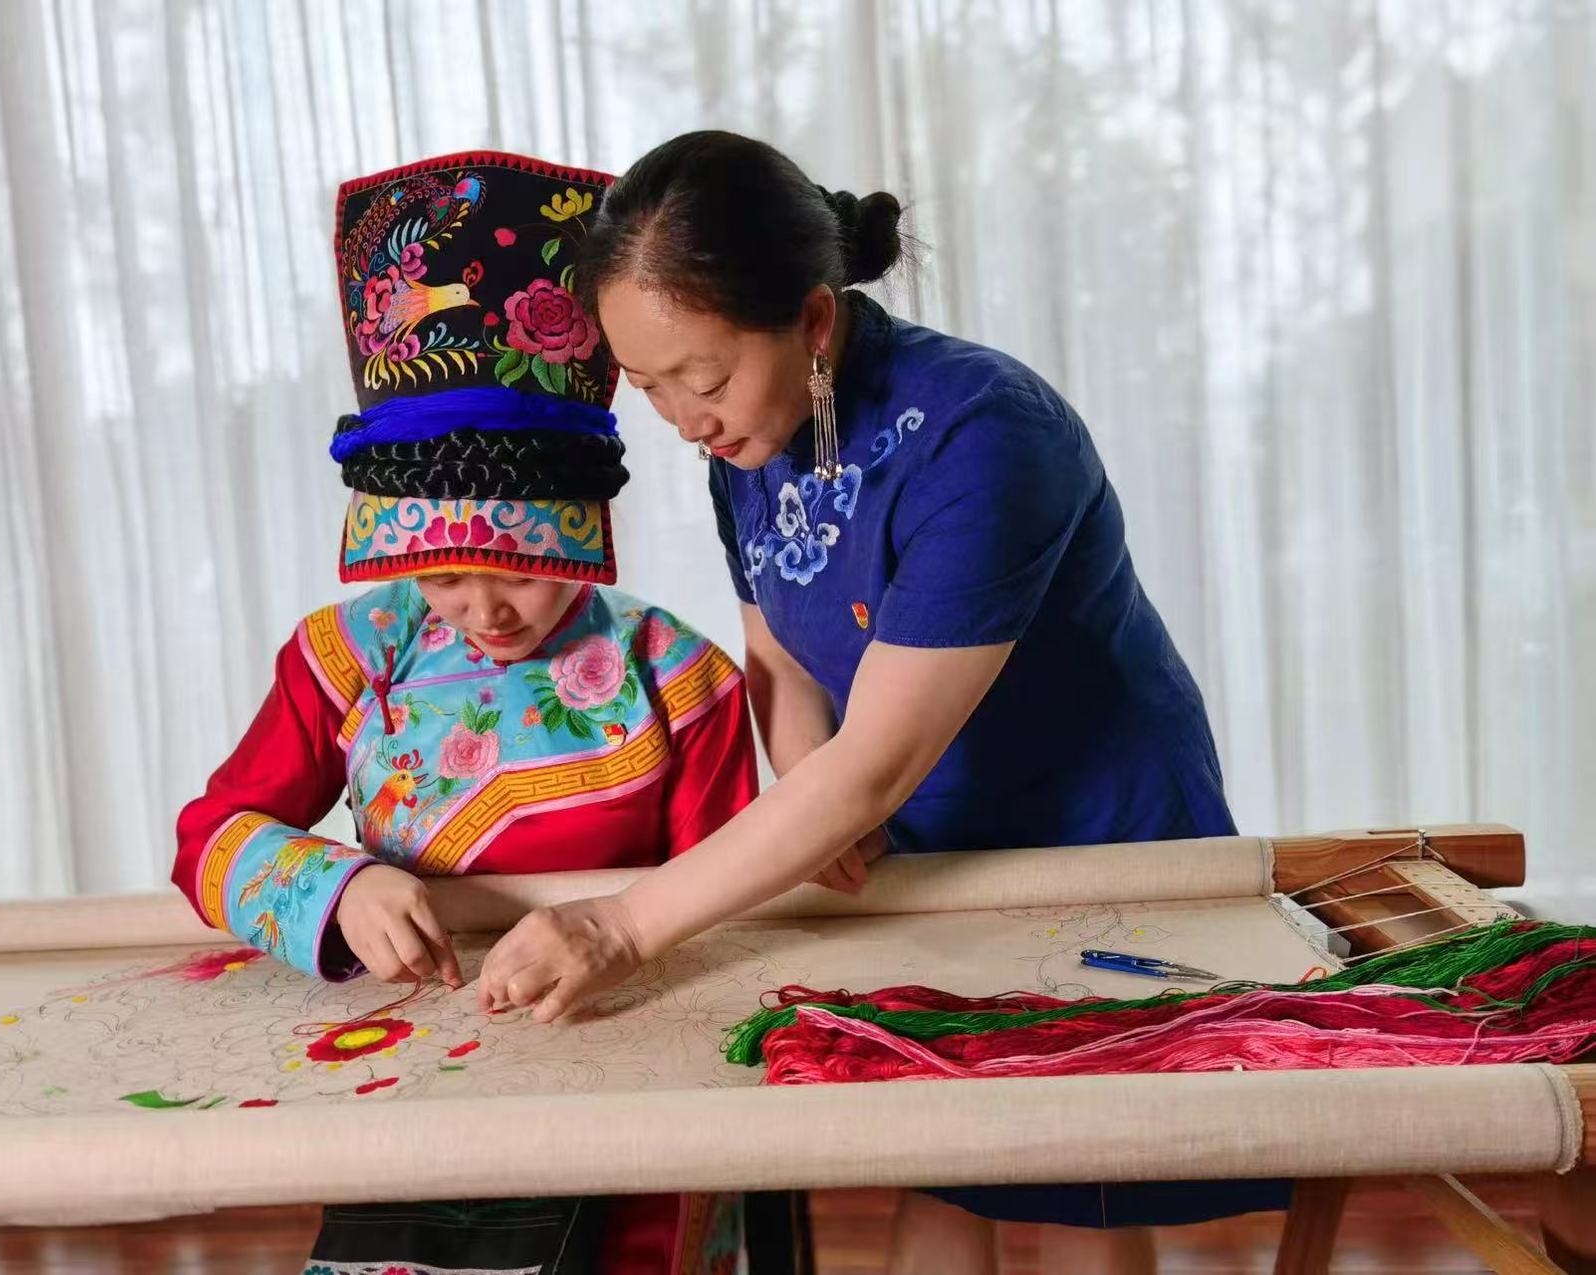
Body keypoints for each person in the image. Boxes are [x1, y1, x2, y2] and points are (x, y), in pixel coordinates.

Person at [474, 131, 1287, 1274]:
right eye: (647, 387)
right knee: (940, 1165)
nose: (683, 420)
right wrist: (816, 797)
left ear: (811, 321)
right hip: (919, 841)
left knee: (1077, 1178)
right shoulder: (748, 443)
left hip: (1089, 831)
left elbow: (873, 765)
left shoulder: (984, 436)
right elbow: (781, 661)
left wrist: (619, 924)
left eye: (701, 379)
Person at [172, 149, 756, 1275]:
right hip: (413, 1081)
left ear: (579, 540)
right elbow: (209, 838)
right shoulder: (350, 654)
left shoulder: (675, 676)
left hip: (623, 1065)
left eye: (521, 575)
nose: (485, 612)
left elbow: (726, 911)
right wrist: (342, 886)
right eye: (442, 578)